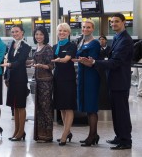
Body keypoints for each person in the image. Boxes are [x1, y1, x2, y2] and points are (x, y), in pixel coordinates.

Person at [79, 13, 133, 150]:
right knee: (116, 111)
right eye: (112, 22)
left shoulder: (125, 39)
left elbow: (116, 62)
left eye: (116, 21)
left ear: (124, 22)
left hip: (120, 81)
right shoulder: (116, 37)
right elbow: (110, 56)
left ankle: (126, 140)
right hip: (114, 81)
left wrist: (94, 62)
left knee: (122, 112)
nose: (113, 24)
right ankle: (119, 136)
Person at [71, 20, 101, 146]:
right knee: (87, 108)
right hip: (82, 76)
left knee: (92, 107)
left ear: (93, 28)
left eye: (88, 27)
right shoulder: (82, 42)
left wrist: (81, 60)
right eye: (83, 27)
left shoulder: (95, 43)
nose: (85, 29)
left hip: (91, 77)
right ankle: (93, 134)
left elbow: (92, 61)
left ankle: (92, 135)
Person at [2, 26, 31, 141]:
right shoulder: (11, 44)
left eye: (17, 31)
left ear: (22, 33)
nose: (14, 33)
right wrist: (6, 76)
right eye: (13, 32)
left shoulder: (26, 46)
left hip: (20, 78)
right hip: (11, 78)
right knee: (15, 106)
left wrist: (10, 65)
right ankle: (16, 131)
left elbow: (20, 61)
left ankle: (21, 131)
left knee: (21, 105)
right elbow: (8, 60)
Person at [51, 23, 77, 146]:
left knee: (68, 106)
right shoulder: (55, 46)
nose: (62, 32)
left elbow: (67, 59)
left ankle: (64, 135)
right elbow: (48, 60)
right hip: (57, 78)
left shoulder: (71, 45)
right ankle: (68, 132)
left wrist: (58, 60)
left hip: (68, 79)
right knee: (61, 106)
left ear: (68, 32)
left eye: (64, 31)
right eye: (60, 30)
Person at [31, 27, 54, 143]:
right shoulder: (37, 47)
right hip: (38, 81)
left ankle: (48, 135)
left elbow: (51, 66)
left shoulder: (48, 48)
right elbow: (36, 62)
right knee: (39, 108)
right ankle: (40, 134)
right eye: (36, 34)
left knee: (46, 108)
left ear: (45, 36)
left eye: (41, 34)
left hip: (46, 82)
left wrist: (40, 65)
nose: (38, 36)